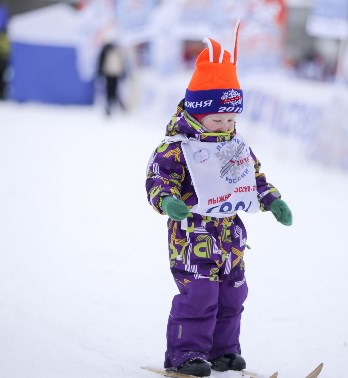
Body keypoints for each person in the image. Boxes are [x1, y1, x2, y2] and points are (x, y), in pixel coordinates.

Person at [145, 22, 293, 377]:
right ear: (197, 111)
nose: (226, 123)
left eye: (231, 116)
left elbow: (254, 178)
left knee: (232, 296)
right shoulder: (176, 148)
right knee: (199, 295)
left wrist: (272, 199)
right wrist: (168, 202)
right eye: (218, 117)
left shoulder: (235, 146)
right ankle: (187, 354)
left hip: (231, 237)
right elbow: (157, 180)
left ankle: (224, 350)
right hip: (192, 235)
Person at [97, 42, 127, 116]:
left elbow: (122, 61)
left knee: (115, 90)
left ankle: (115, 106)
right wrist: (100, 71)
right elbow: (101, 60)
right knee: (109, 90)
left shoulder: (118, 49)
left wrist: (123, 72)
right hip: (109, 72)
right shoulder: (106, 49)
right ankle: (109, 106)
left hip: (116, 72)